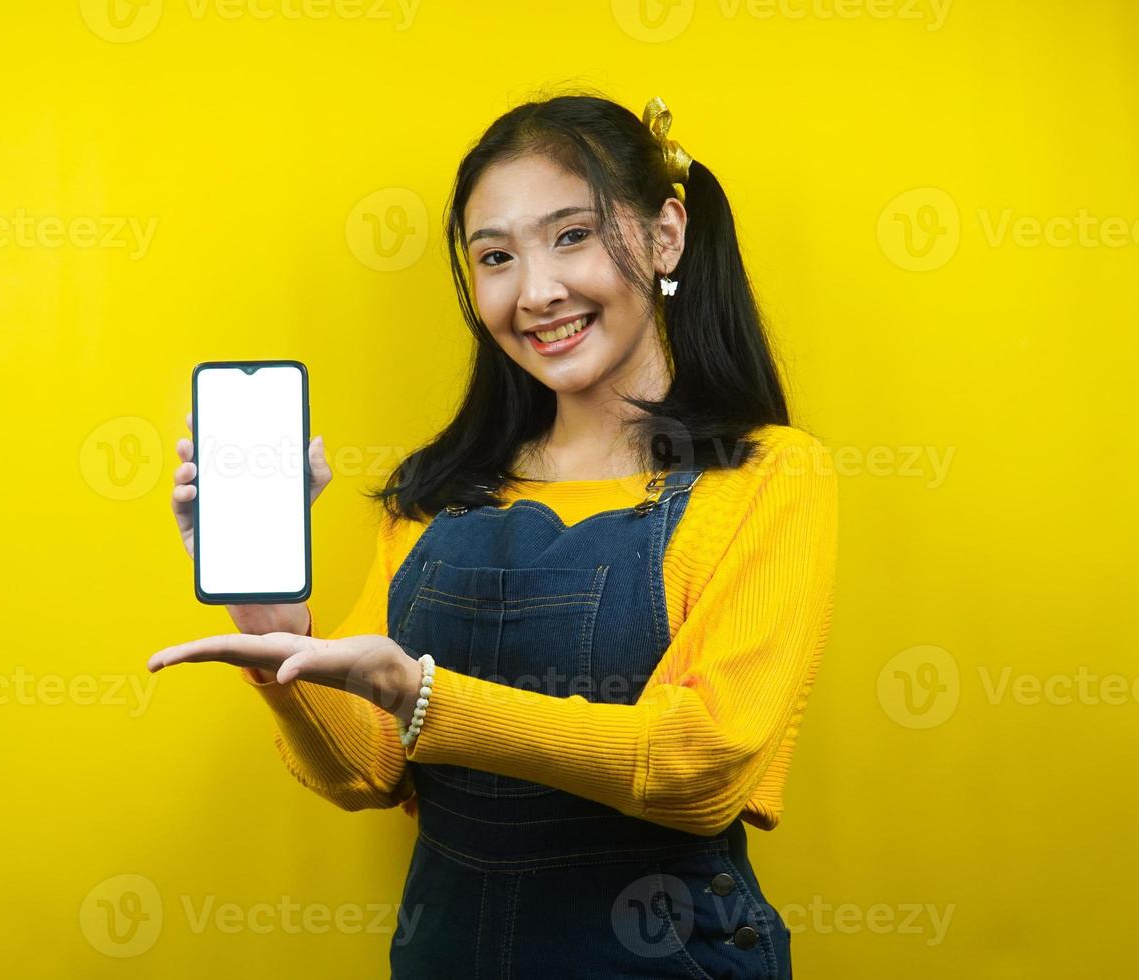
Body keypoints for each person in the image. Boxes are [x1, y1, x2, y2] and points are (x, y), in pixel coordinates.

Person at [152, 91, 837, 979]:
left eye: (572, 236)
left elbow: (703, 765)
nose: (536, 291)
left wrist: (425, 697)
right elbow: (367, 772)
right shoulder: (440, 490)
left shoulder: (768, 476)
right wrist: (275, 629)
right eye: (496, 257)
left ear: (666, 236)